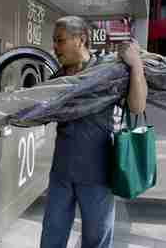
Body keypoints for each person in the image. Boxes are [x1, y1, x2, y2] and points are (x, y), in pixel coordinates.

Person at [40, 16, 147, 248]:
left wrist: (136, 64)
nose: (55, 47)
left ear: (81, 39)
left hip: (97, 173)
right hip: (62, 172)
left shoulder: (108, 71)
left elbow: (137, 106)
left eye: (60, 41)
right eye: (54, 41)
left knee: (96, 239)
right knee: (51, 237)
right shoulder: (58, 78)